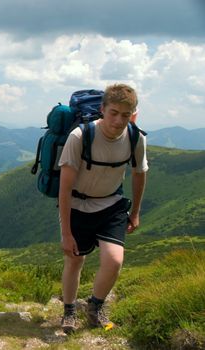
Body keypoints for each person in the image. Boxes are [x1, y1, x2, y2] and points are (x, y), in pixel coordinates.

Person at [57, 84, 148, 334]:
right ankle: (68, 311)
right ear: (102, 110)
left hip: (111, 204)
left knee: (114, 260)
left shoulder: (135, 137)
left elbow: (139, 173)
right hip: (77, 205)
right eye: (114, 113)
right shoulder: (79, 136)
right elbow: (64, 188)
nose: (119, 121)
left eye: (125, 115)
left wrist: (136, 211)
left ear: (133, 114)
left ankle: (95, 306)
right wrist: (66, 232)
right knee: (75, 260)